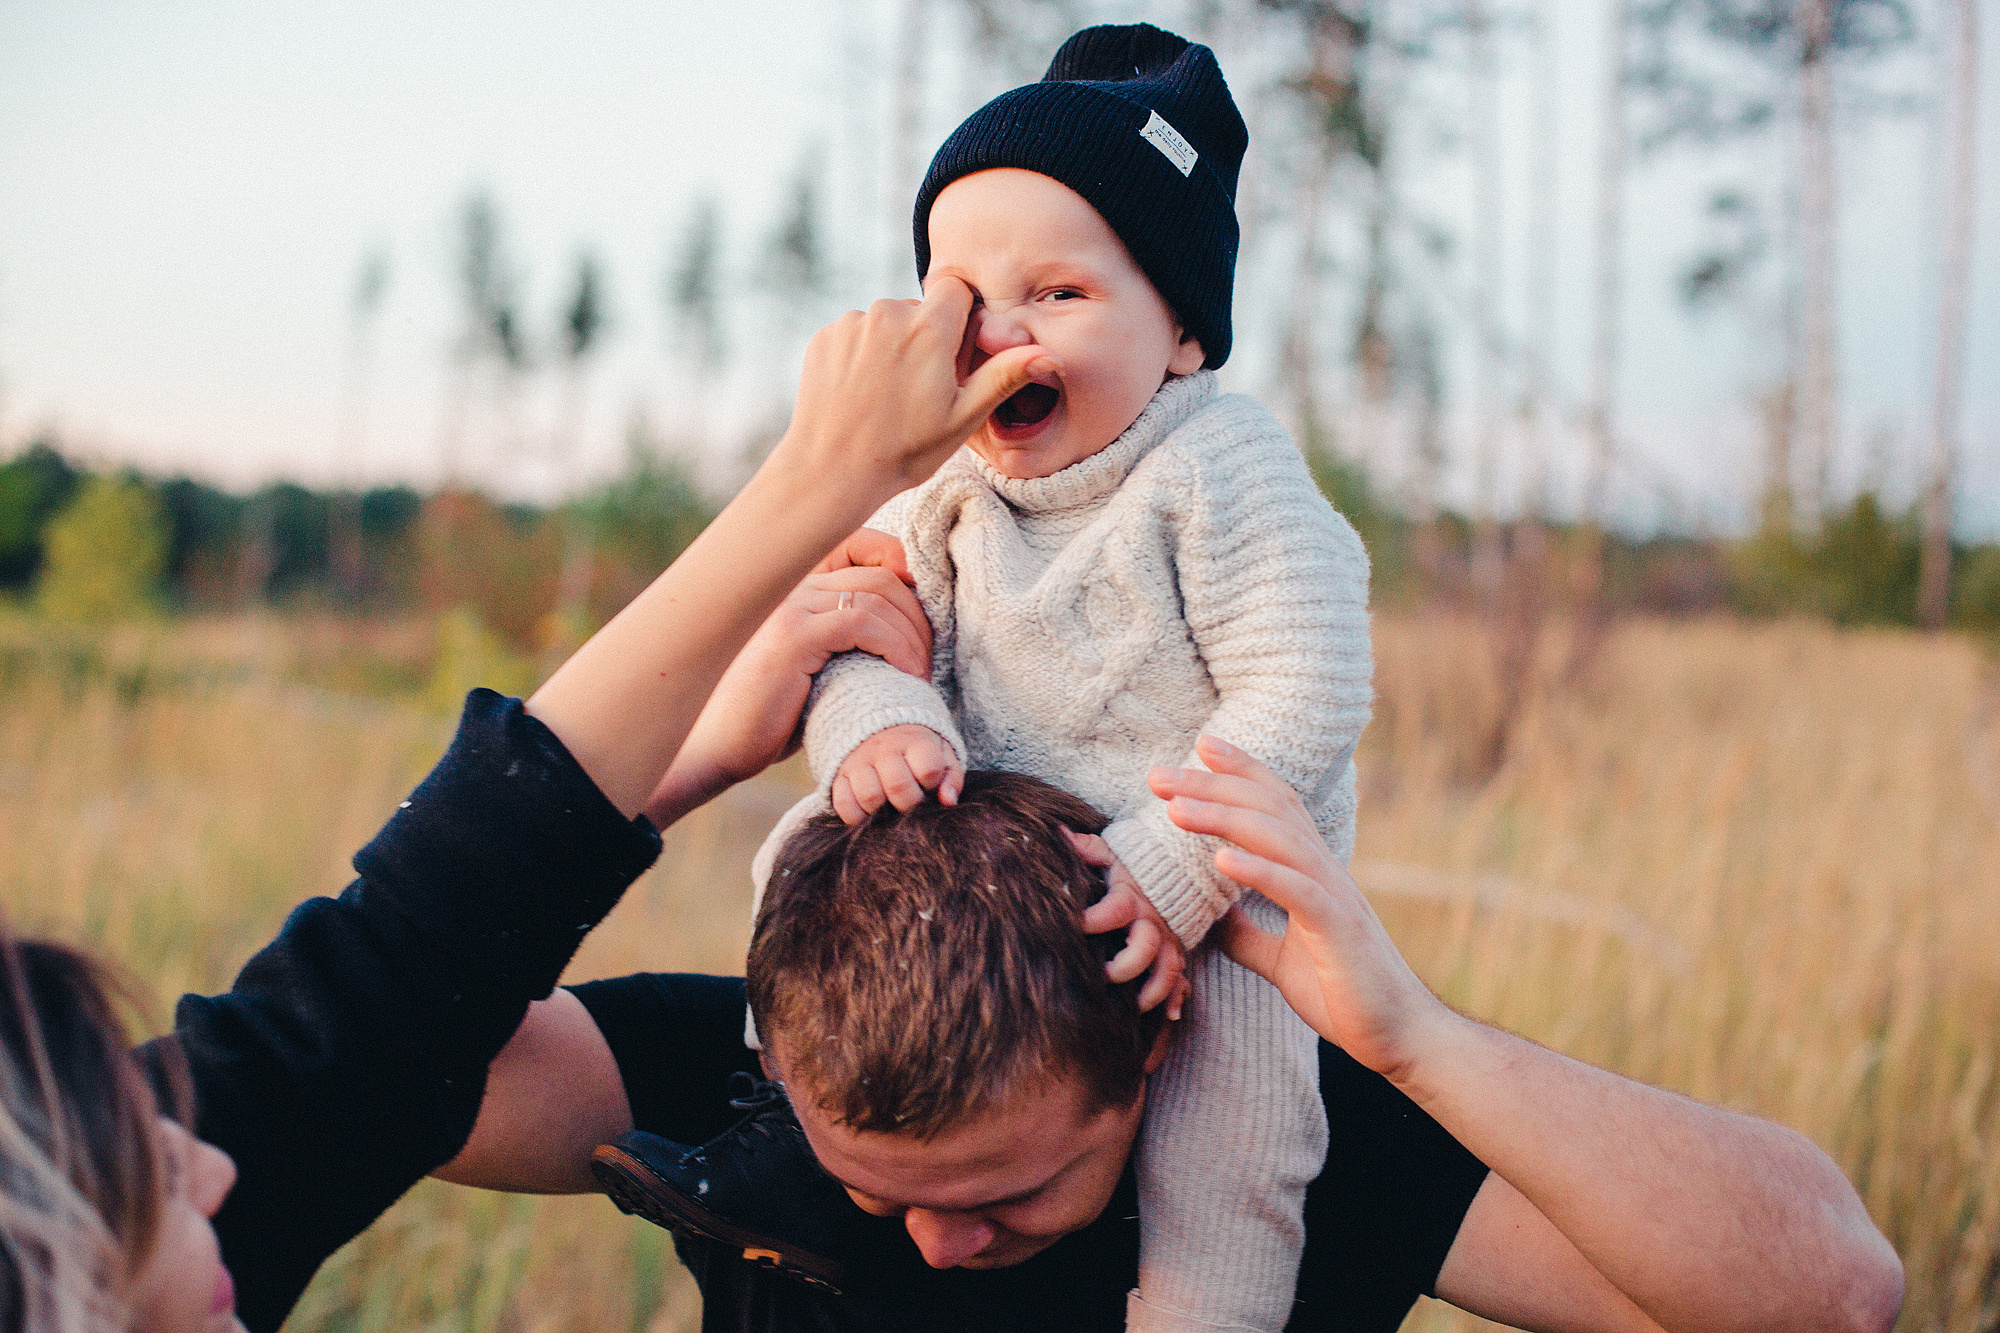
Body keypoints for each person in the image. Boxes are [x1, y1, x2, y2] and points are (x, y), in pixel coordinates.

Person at [0, 280, 1057, 1333]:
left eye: (1015, 1188)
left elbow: (386, 1018)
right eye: (115, 1166)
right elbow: (398, 1021)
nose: (204, 1164)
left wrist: (693, 754)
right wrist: (826, 473)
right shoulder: (790, 1079)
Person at [732, 24, 1372, 1329]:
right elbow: (864, 633)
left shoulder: (1215, 466)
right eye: (960, 298)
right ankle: (793, 1133)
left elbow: (1308, 683)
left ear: (1182, 332)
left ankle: (1203, 1312)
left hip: (1202, 903)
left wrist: (1173, 870)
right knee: (798, 858)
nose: (999, 333)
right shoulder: (953, 491)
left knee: (1235, 1138)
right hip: (987, 909)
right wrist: (882, 722)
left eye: (1059, 295)